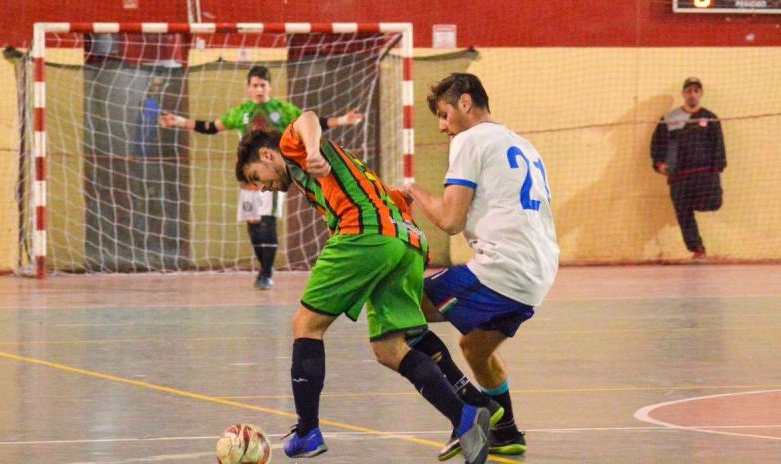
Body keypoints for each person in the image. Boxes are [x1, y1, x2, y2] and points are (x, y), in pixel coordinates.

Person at [235, 111, 491, 464]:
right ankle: (464, 415)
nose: (262, 186)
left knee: (306, 325)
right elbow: (395, 202)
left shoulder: (291, 147)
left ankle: (308, 430)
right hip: (406, 242)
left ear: (266, 156)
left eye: (256, 177)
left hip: (364, 233)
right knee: (389, 348)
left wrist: (311, 149)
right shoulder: (327, 182)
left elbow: (307, 118)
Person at [401, 73, 560, 459]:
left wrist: (412, 191)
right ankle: (507, 432)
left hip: (502, 269)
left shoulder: (470, 140)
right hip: (539, 271)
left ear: (466, 103)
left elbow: (451, 221)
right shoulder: (521, 143)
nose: (442, 126)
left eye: (443, 114)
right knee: (475, 348)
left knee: (401, 311)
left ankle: (471, 410)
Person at [159, 65, 363, 288]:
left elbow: (313, 121)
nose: (259, 89)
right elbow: (211, 127)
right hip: (250, 178)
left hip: (273, 174)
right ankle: (262, 269)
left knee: (268, 221)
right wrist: (178, 121)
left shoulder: (281, 109)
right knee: (253, 224)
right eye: (255, 85)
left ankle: (266, 273)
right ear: (248, 88)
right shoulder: (240, 112)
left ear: (270, 87)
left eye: (263, 85)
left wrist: (342, 120)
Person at [650, 77, 726, 262]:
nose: (692, 94)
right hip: (680, 177)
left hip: (704, 175)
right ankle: (698, 250)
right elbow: (657, 144)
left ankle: (693, 202)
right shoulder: (669, 119)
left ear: (701, 94)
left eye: (696, 91)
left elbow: (719, 145)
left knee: (714, 203)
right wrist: (659, 164)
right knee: (683, 213)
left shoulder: (710, 117)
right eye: (689, 91)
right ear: (683, 94)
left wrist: (717, 168)